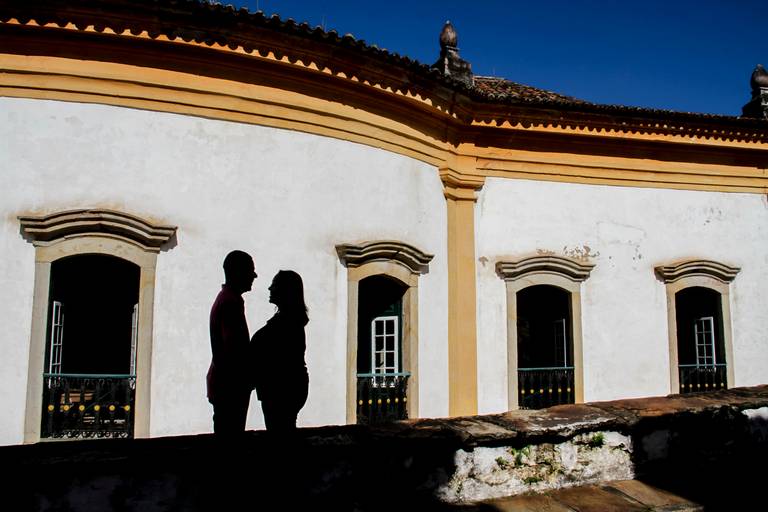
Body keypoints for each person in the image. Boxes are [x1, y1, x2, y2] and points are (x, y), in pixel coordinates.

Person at [251, 270, 309, 436]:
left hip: (280, 389)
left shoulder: (286, 324)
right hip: (285, 388)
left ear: (285, 291)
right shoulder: (290, 321)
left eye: (274, 285)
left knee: (279, 435)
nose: (270, 288)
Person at [207, 250, 257, 438]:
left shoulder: (228, 299)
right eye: (250, 270)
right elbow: (233, 350)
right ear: (238, 272)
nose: (254, 275)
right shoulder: (230, 302)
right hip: (230, 387)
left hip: (226, 385)